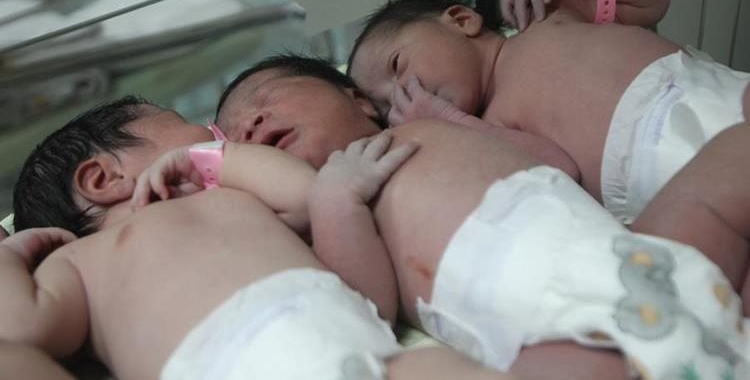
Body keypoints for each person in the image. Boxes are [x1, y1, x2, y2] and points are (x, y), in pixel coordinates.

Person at [214, 54, 750, 380]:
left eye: (266, 98)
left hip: (648, 260)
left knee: (733, 151)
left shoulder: (437, 129)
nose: (253, 122)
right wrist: (336, 202)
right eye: (237, 136)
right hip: (555, 335)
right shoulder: (329, 207)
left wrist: (457, 119)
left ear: (359, 100)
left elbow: (560, 165)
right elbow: (367, 306)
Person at [5, 95, 522, 380]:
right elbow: (24, 331)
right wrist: (11, 255)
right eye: (195, 127)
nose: (217, 135)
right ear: (102, 179)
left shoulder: (234, 198)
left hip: (363, 356)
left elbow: (310, 196)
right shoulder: (78, 262)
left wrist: (215, 161)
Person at [346, 0, 750, 227]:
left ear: (461, 20)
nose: (402, 93)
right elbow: (561, 169)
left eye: (398, 66)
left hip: (715, 91)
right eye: (387, 105)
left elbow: (652, 4)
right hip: (665, 176)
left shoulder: (547, 17)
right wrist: (453, 124)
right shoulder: (489, 126)